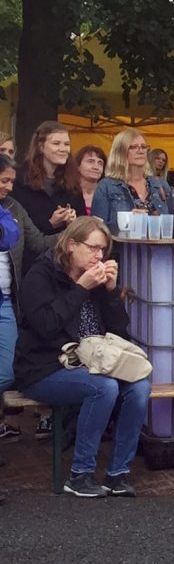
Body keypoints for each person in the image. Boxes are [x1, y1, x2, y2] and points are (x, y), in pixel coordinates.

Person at [14, 217, 148, 497]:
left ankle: (117, 474)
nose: (99, 256)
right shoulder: (41, 274)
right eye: (94, 248)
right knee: (103, 387)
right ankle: (80, 474)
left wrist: (111, 293)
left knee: (139, 385)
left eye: (104, 250)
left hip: (94, 361)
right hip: (44, 367)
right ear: (72, 245)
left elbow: (118, 332)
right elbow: (45, 326)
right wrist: (81, 288)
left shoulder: (95, 276)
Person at [91, 130, 174, 235]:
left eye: (144, 147)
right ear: (120, 152)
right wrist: (127, 221)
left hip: (158, 250)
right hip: (122, 249)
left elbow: (171, 224)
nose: (140, 151)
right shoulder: (106, 186)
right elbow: (96, 229)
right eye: (133, 147)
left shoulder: (161, 185)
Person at [11, 120, 81, 238]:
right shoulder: (20, 179)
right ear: (41, 146)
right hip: (29, 253)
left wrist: (73, 221)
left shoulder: (73, 180)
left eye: (66, 144)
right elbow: (16, 225)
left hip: (63, 251)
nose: (63, 149)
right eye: (56, 143)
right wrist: (50, 224)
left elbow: (82, 221)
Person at [0, 157, 25, 443]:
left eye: (11, 181)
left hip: (4, 301)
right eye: (4, 180)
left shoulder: (6, 210)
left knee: (8, 371)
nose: (9, 187)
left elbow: (11, 235)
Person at [65, 145, 106, 216]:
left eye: (100, 163)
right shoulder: (67, 193)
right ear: (77, 166)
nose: (96, 167)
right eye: (90, 161)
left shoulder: (107, 196)